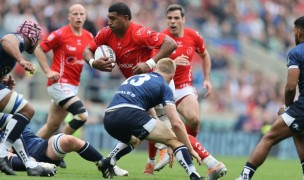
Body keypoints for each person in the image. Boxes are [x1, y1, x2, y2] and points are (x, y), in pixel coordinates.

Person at [82, 1, 177, 175]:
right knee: (140, 134)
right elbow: (87, 50)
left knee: (169, 127)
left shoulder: (139, 33)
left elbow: (171, 44)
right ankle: (115, 161)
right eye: (108, 18)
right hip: (137, 90)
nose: (109, 22)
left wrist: (149, 63)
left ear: (125, 18)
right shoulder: (106, 34)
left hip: (155, 83)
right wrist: (93, 62)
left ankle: (176, 154)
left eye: (113, 18)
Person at [143, 4, 227, 179]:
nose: (172, 21)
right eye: (170, 18)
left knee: (194, 120)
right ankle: (153, 159)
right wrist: (172, 59)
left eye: (176, 18)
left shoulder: (193, 35)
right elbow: (152, 63)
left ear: (183, 19)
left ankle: (178, 147)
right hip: (164, 86)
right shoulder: (162, 38)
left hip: (183, 86)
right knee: (157, 123)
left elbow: (205, 55)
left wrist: (207, 78)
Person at [97, 58, 203, 180]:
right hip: (131, 113)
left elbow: (147, 109)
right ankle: (194, 175)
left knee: (135, 140)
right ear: (172, 76)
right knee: (175, 141)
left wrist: (156, 123)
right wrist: (190, 149)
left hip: (109, 118)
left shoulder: (134, 78)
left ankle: (109, 160)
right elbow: (177, 123)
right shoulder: (164, 86)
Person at [237, 16, 304, 180]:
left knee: (269, 137)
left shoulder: (296, 52)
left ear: (299, 31)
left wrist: (288, 107)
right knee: (298, 133)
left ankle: (245, 176)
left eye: (294, 31)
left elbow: (290, 87)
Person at [0, 20, 56, 176]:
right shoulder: (19, 40)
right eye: (39, 40)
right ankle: (2, 153)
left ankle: (30, 164)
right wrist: (22, 60)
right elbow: (6, 40)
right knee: (27, 110)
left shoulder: (13, 51)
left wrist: (4, 82)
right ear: (34, 37)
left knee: (11, 123)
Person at [34, 4, 93, 139]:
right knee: (82, 115)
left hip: (73, 86)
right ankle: (56, 149)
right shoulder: (60, 34)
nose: (78, 17)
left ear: (85, 17)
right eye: (75, 14)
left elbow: (94, 56)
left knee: (52, 126)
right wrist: (48, 71)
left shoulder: (88, 36)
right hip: (59, 83)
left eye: (81, 14)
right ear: (69, 16)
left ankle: (30, 150)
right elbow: (39, 49)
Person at [0, 113, 105, 175]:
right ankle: (38, 166)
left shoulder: (8, 118)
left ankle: (105, 162)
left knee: (68, 140)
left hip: (40, 148)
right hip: (22, 160)